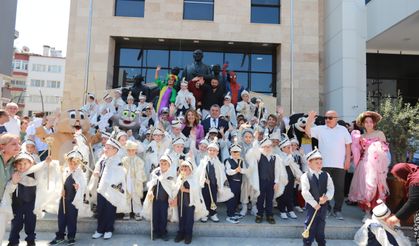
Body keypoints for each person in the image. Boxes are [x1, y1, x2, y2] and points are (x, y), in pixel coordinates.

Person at [305, 110, 351, 220]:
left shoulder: (343, 130)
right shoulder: (320, 129)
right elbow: (307, 132)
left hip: (339, 165)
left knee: (339, 189)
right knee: (323, 188)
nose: (327, 120)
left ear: (336, 119)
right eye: (326, 118)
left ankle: (337, 210)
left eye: (330, 118)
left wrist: (348, 159)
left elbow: (348, 146)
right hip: (323, 165)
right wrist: (310, 119)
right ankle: (326, 209)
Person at [348, 111, 389, 222]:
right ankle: (367, 213)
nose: (368, 124)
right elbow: (359, 151)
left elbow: (385, 150)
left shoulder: (379, 134)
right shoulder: (361, 136)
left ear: (374, 123)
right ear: (363, 124)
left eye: (371, 121)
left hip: (377, 165)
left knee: (377, 188)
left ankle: (377, 214)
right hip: (364, 164)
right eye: (366, 122)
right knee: (365, 188)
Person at [92, 134, 128, 240]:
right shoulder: (103, 159)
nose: (105, 149)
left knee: (109, 210)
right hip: (101, 188)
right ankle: (99, 229)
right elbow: (98, 168)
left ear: (115, 150)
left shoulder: (118, 162)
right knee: (101, 209)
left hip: (111, 190)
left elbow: (120, 175)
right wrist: (96, 172)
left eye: (108, 148)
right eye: (105, 147)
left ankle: (108, 229)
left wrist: (107, 181)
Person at [49, 150, 87, 245]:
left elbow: (83, 185)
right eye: (71, 164)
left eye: (75, 164)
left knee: (72, 218)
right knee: (61, 217)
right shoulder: (65, 171)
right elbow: (60, 183)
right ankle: (60, 235)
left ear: (79, 163)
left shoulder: (80, 173)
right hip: (64, 199)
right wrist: (61, 190)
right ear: (68, 163)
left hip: (73, 199)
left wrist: (78, 187)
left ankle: (71, 236)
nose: (72, 166)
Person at [246, 137, 287, 224]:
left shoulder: (275, 157)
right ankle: (259, 214)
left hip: (271, 182)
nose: (267, 148)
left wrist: (276, 182)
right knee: (260, 199)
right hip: (261, 181)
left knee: (270, 199)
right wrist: (256, 140)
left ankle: (269, 215)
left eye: (269, 146)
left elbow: (277, 170)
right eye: (265, 146)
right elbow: (253, 151)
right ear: (262, 147)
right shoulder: (259, 156)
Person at [300, 149, 335, 246]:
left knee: (321, 224)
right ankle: (307, 242)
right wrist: (314, 204)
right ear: (309, 163)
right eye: (316, 163)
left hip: (323, 205)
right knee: (310, 224)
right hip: (312, 206)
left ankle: (321, 242)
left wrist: (326, 197)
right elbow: (305, 192)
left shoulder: (326, 175)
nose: (319, 165)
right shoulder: (305, 176)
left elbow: (331, 188)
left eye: (320, 163)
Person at [196, 139, 233, 223]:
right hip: (205, 184)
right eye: (210, 150)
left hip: (214, 184)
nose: (212, 152)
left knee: (213, 198)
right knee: (205, 198)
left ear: (217, 152)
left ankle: (213, 213)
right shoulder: (203, 161)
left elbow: (221, 173)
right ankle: (205, 213)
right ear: (207, 151)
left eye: (214, 151)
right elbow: (199, 173)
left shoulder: (218, 163)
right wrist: (204, 179)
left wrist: (222, 181)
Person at [7, 152, 38, 246]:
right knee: (16, 223)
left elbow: (45, 169)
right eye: (19, 164)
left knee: (31, 222)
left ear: (31, 163)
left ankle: (31, 240)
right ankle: (13, 241)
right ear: (15, 164)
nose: (22, 166)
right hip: (17, 203)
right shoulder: (14, 174)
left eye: (25, 163)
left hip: (31, 203)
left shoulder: (35, 173)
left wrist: (48, 163)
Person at [143, 154, 176, 241]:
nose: (163, 165)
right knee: (155, 216)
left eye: (165, 164)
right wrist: (150, 191)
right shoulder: (156, 172)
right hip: (155, 199)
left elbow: (172, 188)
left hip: (164, 200)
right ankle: (155, 232)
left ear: (169, 165)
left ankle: (163, 232)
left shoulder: (171, 174)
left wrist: (172, 198)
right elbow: (151, 184)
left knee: (163, 216)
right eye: (161, 163)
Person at [173, 160, 208, 244]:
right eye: (183, 167)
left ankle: (188, 235)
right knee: (181, 218)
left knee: (189, 220)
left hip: (190, 203)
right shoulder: (179, 178)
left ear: (190, 169)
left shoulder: (193, 178)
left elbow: (196, 191)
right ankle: (181, 233)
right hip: (181, 203)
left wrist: (185, 190)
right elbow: (175, 189)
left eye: (186, 167)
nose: (184, 169)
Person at [386, 163, 419, 245]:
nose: (398, 180)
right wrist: (395, 213)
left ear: (403, 173)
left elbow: (414, 201)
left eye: (397, 177)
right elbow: (407, 199)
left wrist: (397, 217)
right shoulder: (413, 176)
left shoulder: (416, 179)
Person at [277, 137, 303, 220]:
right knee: (283, 195)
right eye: (288, 147)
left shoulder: (290, 156)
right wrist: (290, 155)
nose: (290, 149)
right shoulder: (279, 156)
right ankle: (282, 211)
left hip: (291, 178)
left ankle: (290, 210)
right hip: (283, 179)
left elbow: (295, 167)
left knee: (290, 194)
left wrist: (298, 176)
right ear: (283, 148)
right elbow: (285, 163)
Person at [122, 140, 146, 221]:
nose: (131, 152)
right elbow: (122, 169)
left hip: (136, 180)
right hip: (127, 179)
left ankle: (137, 211)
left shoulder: (139, 161)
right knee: (127, 195)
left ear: (136, 151)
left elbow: (141, 170)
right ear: (126, 150)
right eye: (129, 150)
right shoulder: (124, 160)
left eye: (133, 150)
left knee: (136, 195)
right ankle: (126, 211)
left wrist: (140, 179)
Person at [225, 143, 246, 224]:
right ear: (231, 152)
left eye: (237, 153)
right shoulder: (228, 160)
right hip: (231, 182)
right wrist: (235, 170)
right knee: (231, 198)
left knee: (236, 198)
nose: (236, 154)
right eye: (234, 153)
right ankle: (230, 214)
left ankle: (233, 212)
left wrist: (241, 170)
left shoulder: (241, 160)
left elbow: (244, 170)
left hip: (239, 182)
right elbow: (228, 171)